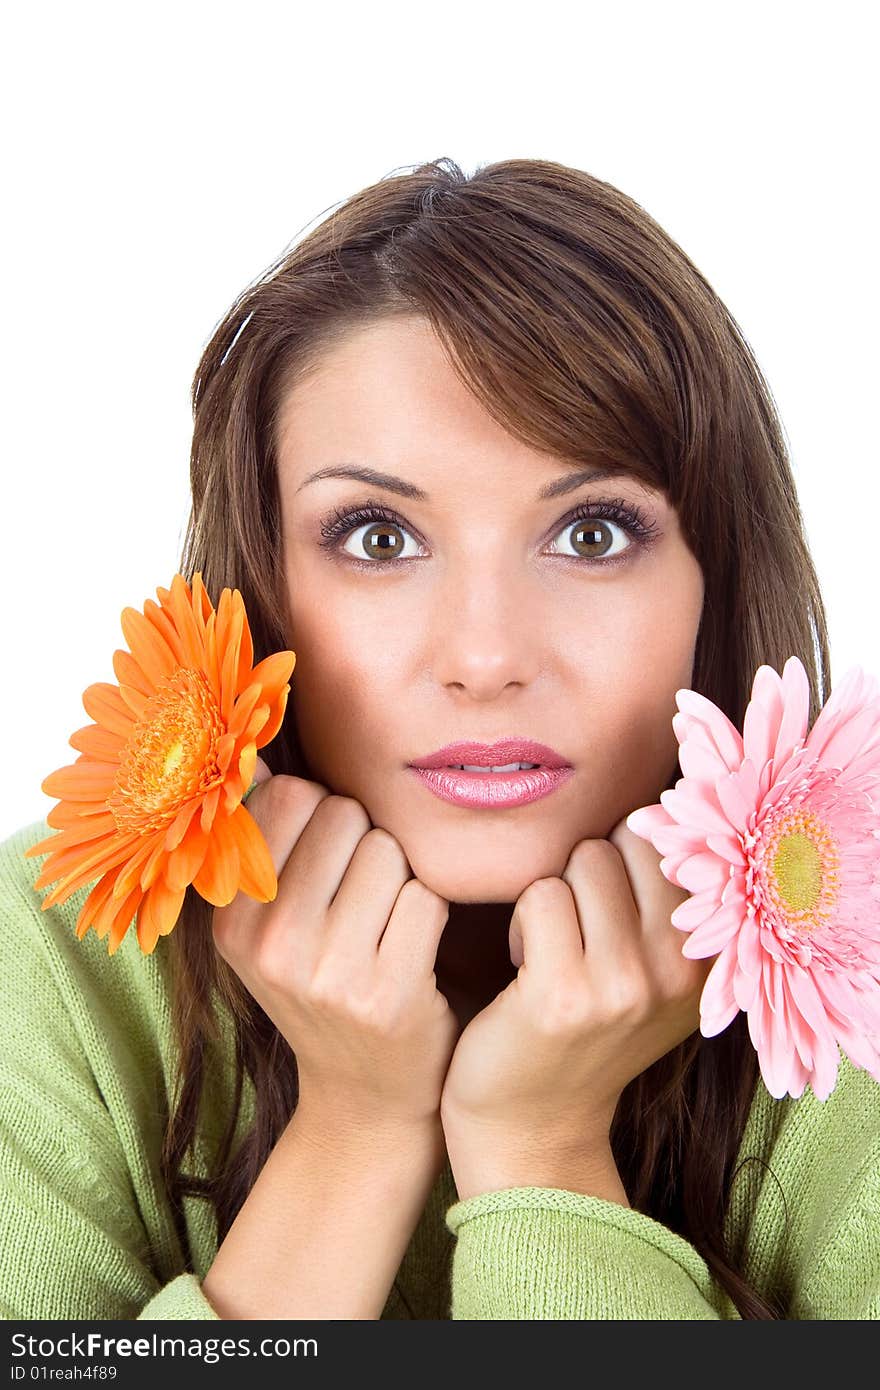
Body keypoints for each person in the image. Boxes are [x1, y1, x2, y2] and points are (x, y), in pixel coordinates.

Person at [2, 156, 878, 1321]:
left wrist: (545, 1148)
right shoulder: (53, 959)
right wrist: (352, 1130)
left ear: (717, 582)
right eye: (375, 537)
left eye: (593, 531)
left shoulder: (851, 998)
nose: (483, 654)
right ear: (260, 587)